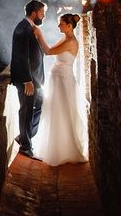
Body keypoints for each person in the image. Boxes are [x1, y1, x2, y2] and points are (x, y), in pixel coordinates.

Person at [32, 13, 88, 166]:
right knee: (55, 112)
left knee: (62, 112)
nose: (58, 26)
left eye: (61, 24)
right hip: (58, 79)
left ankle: (65, 150)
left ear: (69, 26)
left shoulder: (70, 41)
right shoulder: (65, 38)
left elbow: (48, 52)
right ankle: (54, 148)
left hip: (63, 80)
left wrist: (39, 34)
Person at [10, 0, 47, 158]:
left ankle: (25, 136)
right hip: (28, 81)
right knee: (26, 111)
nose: (43, 17)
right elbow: (20, 56)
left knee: (39, 105)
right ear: (34, 13)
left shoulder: (30, 28)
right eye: (42, 14)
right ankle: (25, 148)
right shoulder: (23, 29)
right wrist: (27, 80)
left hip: (35, 80)